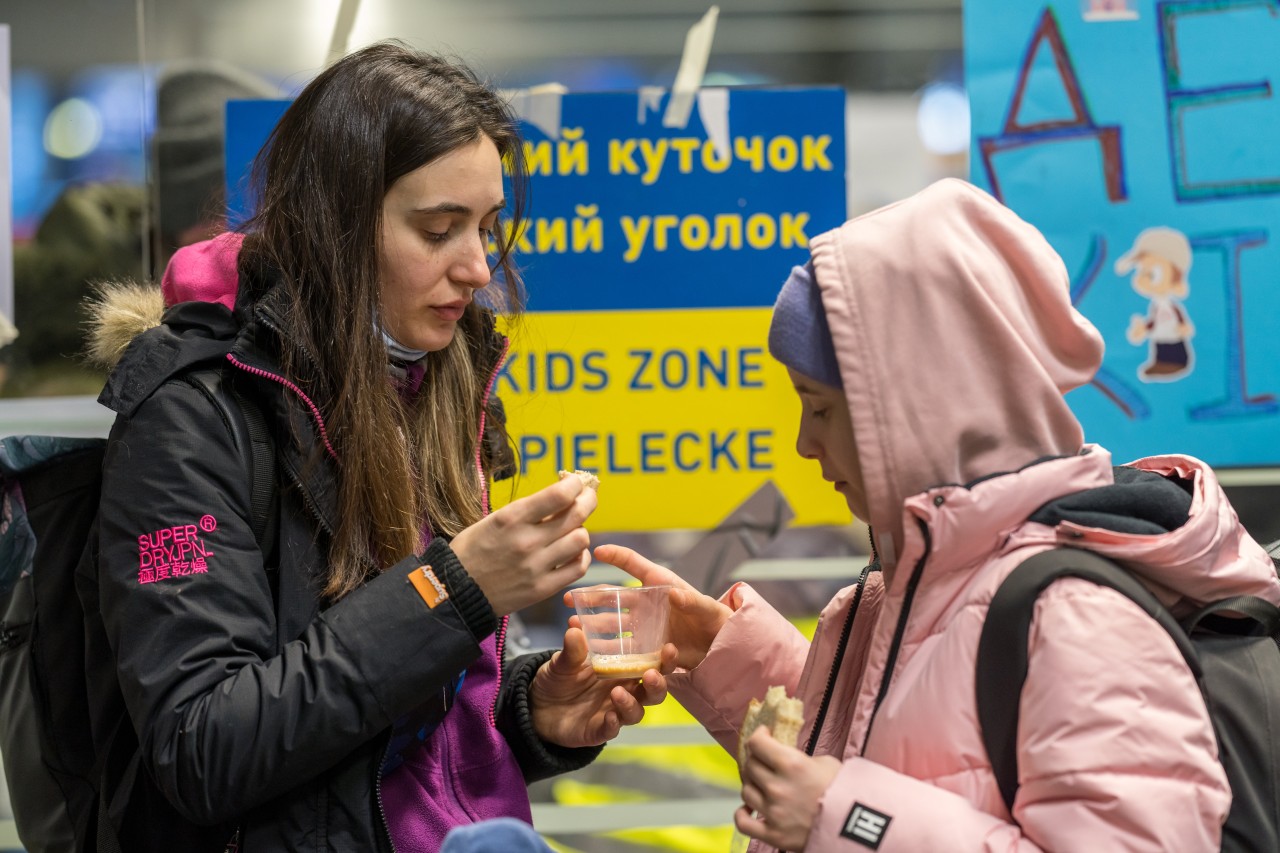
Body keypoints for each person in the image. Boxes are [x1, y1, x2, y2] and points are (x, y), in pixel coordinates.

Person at [83, 42, 668, 852]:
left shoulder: (435, 383)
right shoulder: (191, 420)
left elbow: (410, 726)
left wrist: (536, 712)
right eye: (438, 229)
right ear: (337, 225)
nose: (476, 269)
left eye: (488, 227)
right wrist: (453, 590)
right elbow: (203, 748)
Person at [594, 178, 1280, 851]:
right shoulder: (925, 576)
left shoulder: (1076, 617)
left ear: (920, 407)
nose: (805, 441)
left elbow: (874, 790)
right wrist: (726, 654)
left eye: (825, 407)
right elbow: (917, 744)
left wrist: (851, 819)